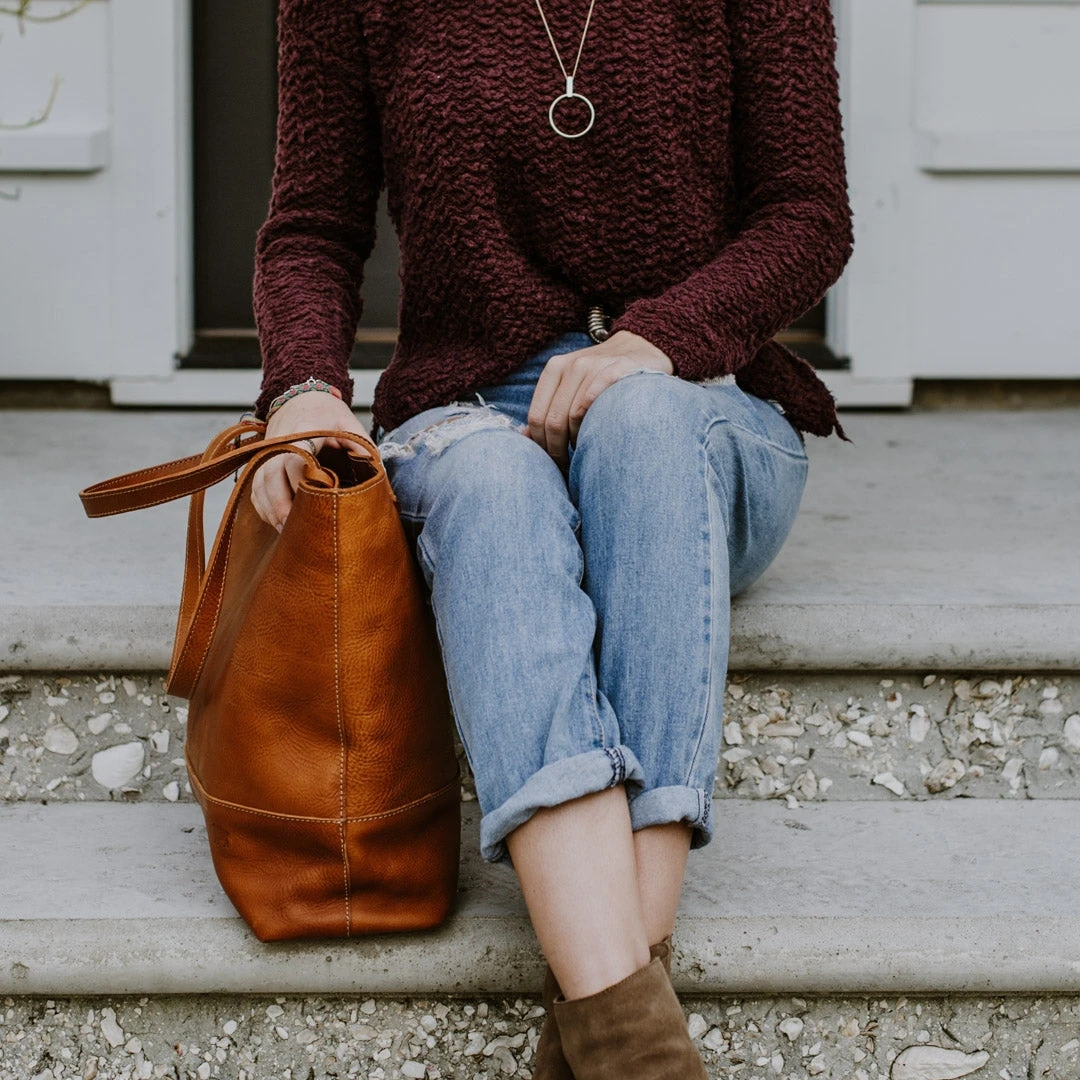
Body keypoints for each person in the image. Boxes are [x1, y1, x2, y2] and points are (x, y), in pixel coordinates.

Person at [246, 0, 854, 1075]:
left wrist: (653, 342)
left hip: (700, 409)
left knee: (642, 421)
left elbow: (806, 216)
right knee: (489, 480)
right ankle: (630, 1029)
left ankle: (613, 1002)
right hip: (465, 408)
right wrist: (301, 389)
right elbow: (312, 226)